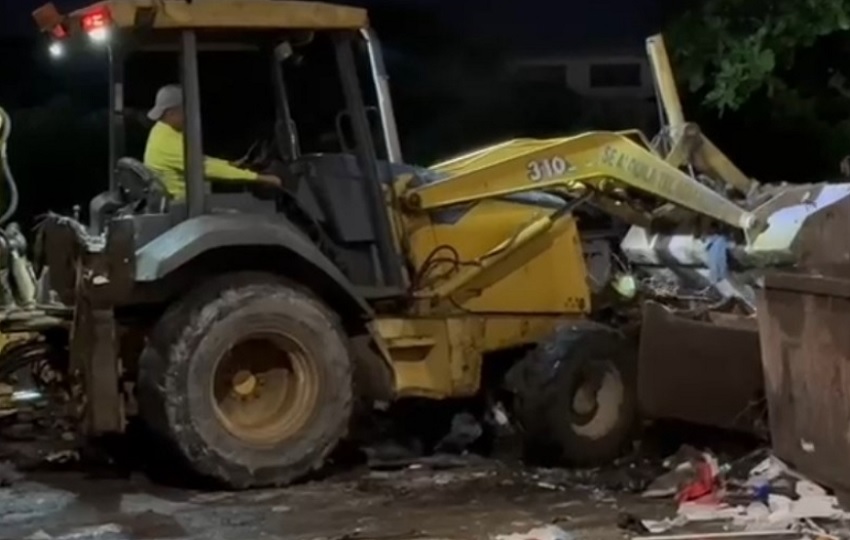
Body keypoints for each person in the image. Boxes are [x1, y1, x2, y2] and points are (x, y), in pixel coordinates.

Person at [143, 84, 281, 200]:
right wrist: (259, 178)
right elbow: (204, 168)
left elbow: (198, 159)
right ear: (171, 113)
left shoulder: (163, 131)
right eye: (187, 111)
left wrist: (229, 164)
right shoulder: (166, 142)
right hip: (183, 207)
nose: (190, 116)